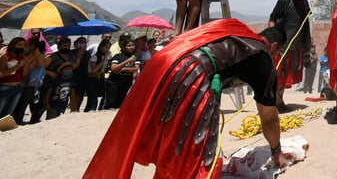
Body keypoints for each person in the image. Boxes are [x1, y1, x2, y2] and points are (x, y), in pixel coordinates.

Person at [83, 20, 289, 179]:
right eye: (277, 53)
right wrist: (276, 150)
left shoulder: (234, 29)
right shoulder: (262, 56)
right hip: (189, 73)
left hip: (165, 62)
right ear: (274, 46)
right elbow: (269, 116)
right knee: (194, 157)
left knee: (172, 148)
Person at [268, 0, 313, 110]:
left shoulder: (305, 4)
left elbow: (305, 25)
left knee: (286, 76)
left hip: (295, 45)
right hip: (282, 45)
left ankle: (279, 102)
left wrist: (307, 47)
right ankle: (275, 102)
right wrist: (272, 38)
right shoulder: (284, 1)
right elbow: (272, 19)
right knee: (278, 75)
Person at [103, 38, 139, 110]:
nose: (131, 47)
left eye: (133, 45)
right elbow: (114, 69)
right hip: (114, 81)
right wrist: (127, 61)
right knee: (110, 102)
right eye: (129, 46)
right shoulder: (118, 56)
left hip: (126, 80)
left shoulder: (135, 57)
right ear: (124, 47)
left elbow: (135, 69)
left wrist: (123, 69)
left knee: (121, 101)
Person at [0, 37, 26, 119]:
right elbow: (2, 73)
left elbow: (24, 73)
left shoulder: (22, 58)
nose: (21, 47)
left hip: (18, 86)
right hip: (5, 86)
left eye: (23, 45)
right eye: (19, 44)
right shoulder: (6, 57)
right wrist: (17, 66)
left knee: (9, 113)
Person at [85, 39, 111, 112]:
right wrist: (103, 61)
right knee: (93, 101)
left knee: (92, 101)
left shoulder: (106, 56)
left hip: (100, 79)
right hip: (92, 79)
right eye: (106, 47)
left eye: (109, 47)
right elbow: (93, 70)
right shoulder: (95, 57)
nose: (107, 49)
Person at [68, 36, 91, 112]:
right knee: (74, 94)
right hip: (74, 76)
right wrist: (79, 56)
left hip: (84, 76)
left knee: (81, 94)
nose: (82, 44)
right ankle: (73, 109)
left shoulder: (87, 53)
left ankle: (77, 109)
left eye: (84, 42)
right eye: (80, 42)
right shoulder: (72, 52)